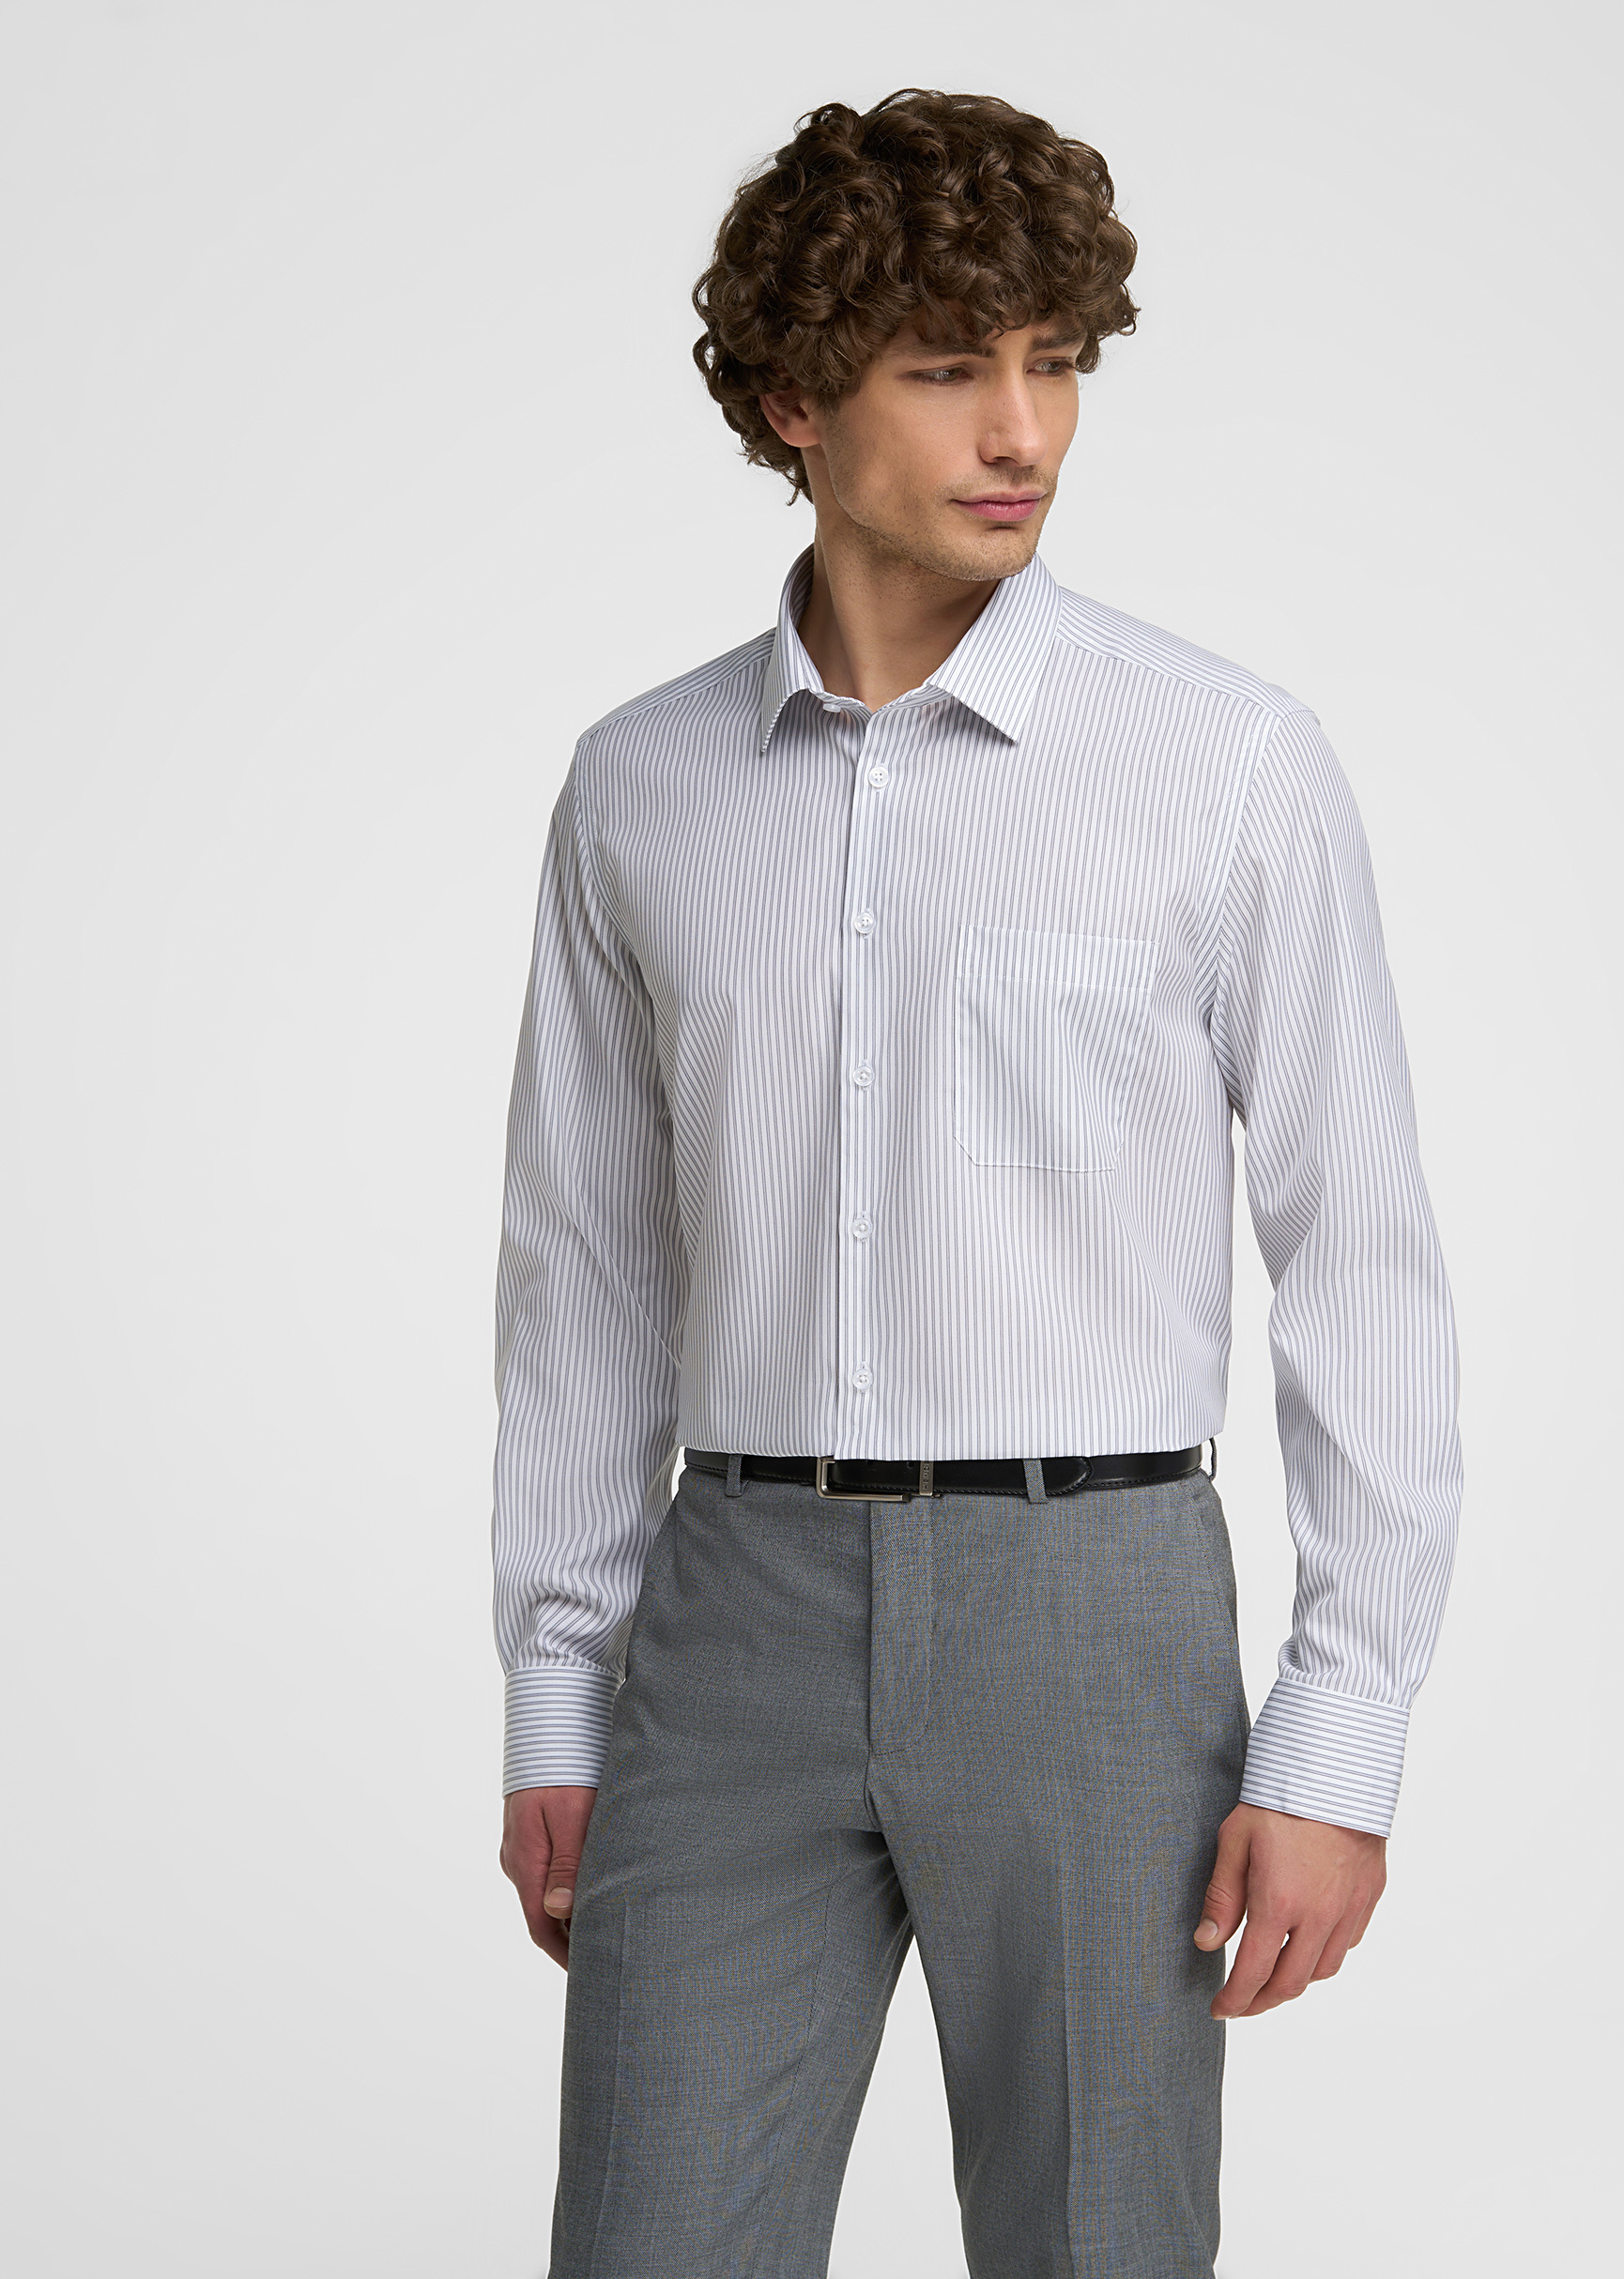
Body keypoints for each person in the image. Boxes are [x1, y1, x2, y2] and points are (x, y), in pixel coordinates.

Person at [490, 85, 1463, 2279]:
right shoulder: (639, 787)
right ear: (792, 401)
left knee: (1095, 2246)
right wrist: (559, 1690)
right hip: (728, 1619)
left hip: (1093, 1609)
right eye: (947, 369)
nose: (1023, 430)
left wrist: (1341, 1730)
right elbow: (585, 1270)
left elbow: (1362, 1254)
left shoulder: (1224, 758)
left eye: (1054, 361)